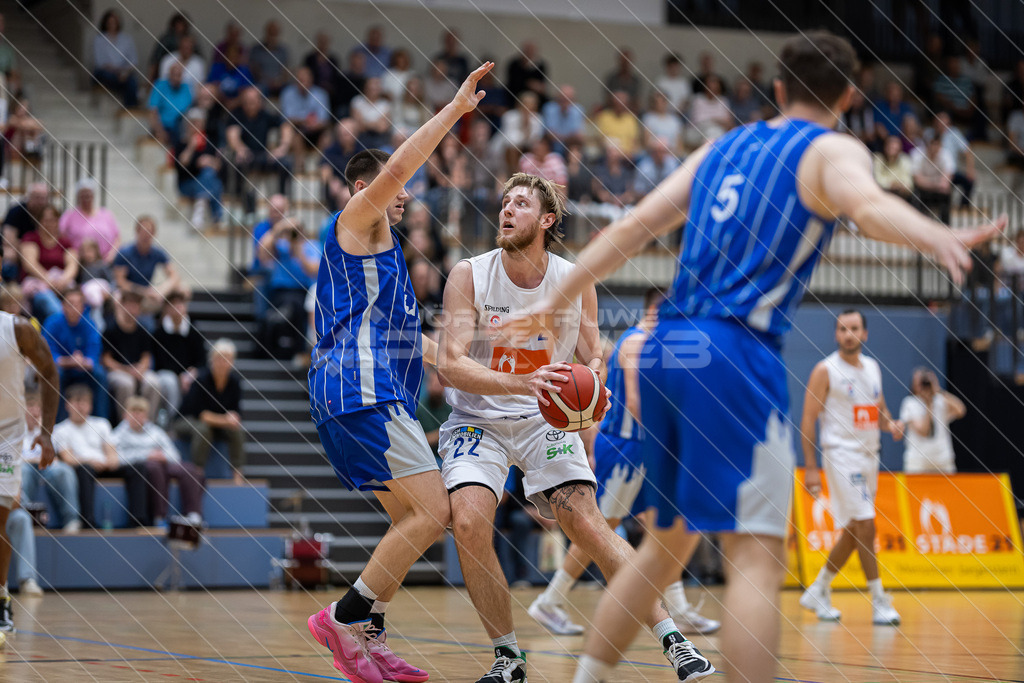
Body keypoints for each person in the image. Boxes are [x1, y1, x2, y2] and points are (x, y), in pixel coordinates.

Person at [498, 30, 1002, 683]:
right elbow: (869, 204)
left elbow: (630, 227)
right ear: (848, 96)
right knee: (758, 556)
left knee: (665, 546)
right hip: (733, 348)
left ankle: (587, 676)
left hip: (667, 346)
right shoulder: (830, 148)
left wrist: (553, 300)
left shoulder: (721, 147)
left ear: (783, 89)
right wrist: (938, 233)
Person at [437, 173, 712, 682]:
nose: (506, 210)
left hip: (545, 422)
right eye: (504, 202)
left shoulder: (574, 279)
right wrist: (524, 383)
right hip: (479, 419)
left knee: (588, 525)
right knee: (471, 522)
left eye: (520, 203)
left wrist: (596, 389)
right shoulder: (469, 275)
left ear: (545, 220)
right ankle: (508, 658)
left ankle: (674, 641)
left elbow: (594, 355)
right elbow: (448, 365)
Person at [305, 62, 493, 683]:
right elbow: (397, 171)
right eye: (395, 190)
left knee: (409, 519)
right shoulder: (357, 220)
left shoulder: (381, 271)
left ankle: (367, 636)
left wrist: (504, 380)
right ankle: (342, 617)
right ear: (363, 189)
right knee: (432, 513)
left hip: (355, 392)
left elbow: (421, 344)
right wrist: (457, 111)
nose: (406, 196)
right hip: (359, 390)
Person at [528, 287, 719, 637]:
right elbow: (634, 402)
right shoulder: (636, 343)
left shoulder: (658, 344)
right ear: (658, 309)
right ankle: (549, 601)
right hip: (625, 448)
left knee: (665, 523)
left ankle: (679, 608)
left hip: (643, 446)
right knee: (598, 532)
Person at [798, 310, 904, 626]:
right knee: (866, 523)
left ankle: (818, 589)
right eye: (842, 329)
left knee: (854, 530)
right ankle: (879, 600)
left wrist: (891, 425)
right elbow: (807, 418)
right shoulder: (825, 370)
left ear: (865, 334)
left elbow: (878, 411)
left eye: (854, 328)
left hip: (870, 455)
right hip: (841, 456)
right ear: (836, 335)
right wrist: (811, 467)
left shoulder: (872, 368)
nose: (848, 334)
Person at [0, 305, 59, 631]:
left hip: (5, 436)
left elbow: (49, 371)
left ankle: (1, 597)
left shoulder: (18, 329)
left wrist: (46, 433)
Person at [114, 396, 203, 527]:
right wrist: (147, 455)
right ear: (125, 414)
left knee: (189, 468)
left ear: (147, 415)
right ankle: (159, 516)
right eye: (134, 411)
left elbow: (175, 455)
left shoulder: (156, 432)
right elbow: (117, 459)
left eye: (141, 412)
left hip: (164, 464)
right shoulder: (118, 434)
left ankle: (193, 515)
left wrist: (163, 456)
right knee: (154, 467)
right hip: (143, 467)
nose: (137, 415)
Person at [174, 339, 244, 483]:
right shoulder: (202, 378)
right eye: (219, 358)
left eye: (227, 359)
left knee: (237, 430)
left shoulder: (235, 382)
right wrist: (226, 420)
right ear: (212, 360)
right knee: (203, 429)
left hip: (216, 423)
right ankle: (197, 472)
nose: (223, 363)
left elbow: (236, 412)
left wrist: (233, 418)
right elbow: (201, 415)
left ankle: (237, 473)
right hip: (186, 419)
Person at [52, 384, 120, 529]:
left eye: (85, 402)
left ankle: (141, 519)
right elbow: (68, 458)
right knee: (85, 469)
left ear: (90, 405)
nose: (80, 406)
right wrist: (90, 461)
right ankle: (88, 521)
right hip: (81, 467)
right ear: (67, 405)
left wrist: (110, 462)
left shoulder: (102, 424)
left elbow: (112, 453)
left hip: (105, 465)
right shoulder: (60, 429)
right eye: (76, 402)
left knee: (138, 468)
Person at [42, 287, 107, 420]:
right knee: (55, 374)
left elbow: (94, 353)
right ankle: (56, 422)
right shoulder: (52, 323)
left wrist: (84, 361)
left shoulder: (89, 323)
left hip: (83, 368)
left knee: (100, 375)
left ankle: (102, 421)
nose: (74, 307)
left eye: (78, 304)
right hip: (62, 368)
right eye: (70, 303)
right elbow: (47, 353)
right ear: (63, 305)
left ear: (83, 307)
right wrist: (68, 361)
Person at [20, 389, 80, 531]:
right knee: (22, 472)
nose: (34, 411)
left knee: (64, 471)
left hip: (47, 467)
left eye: (37, 407)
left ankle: (72, 521)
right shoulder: (14, 431)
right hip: (25, 467)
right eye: (30, 407)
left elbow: (56, 456)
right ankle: (25, 519)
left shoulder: (52, 430)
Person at [101, 290, 160, 419]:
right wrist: (126, 370)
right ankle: (126, 423)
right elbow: (106, 360)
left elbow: (146, 356)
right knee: (126, 384)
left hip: (138, 370)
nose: (132, 309)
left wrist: (140, 370)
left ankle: (148, 423)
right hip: (117, 371)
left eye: (136, 305)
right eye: (129, 305)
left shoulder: (142, 331)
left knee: (153, 383)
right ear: (121, 305)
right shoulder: (110, 330)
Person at [899, 368, 967, 474]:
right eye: (921, 380)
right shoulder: (909, 403)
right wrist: (928, 404)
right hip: (918, 462)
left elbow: (961, 410)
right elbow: (924, 431)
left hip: (942, 460)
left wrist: (938, 390)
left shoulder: (940, 400)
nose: (924, 383)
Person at [151, 291, 205, 422]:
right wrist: (180, 375)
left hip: (188, 374)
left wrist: (191, 373)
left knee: (198, 380)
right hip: (165, 374)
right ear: (166, 308)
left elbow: (201, 360)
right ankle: (174, 420)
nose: (177, 308)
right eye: (173, 304)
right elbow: (160, 362)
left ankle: (194, 419)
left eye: (180, 304)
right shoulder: (158, 333)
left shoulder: (194, 332)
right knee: (170, 382)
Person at [19, 205, 79, 322]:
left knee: (79, 300)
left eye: (53, 220)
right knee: (49, 302)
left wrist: (63, 280)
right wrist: (48, 280)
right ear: (39, 221)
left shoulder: (65, 242)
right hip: (38, 286)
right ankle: (61, 323)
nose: (49, 224)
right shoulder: (30, 238)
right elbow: (29, 264)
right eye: (46, 220)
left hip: (61, 284)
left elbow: (73, 264)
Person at [112, 216, 182, 311]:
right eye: (143, 231)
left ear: (154, 233)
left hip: (148, 293)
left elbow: (174, 276)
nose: (146, 235)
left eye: (149, 231)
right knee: (117, 298)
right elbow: (120, 282)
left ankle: (171, 323)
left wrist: (161, 290)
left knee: (183, 290)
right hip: (128, 292)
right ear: (137, 232)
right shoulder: (125, 253)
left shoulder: (158, 253)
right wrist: (143, 291)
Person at [91, 9, 138, 107]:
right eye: (110, 22)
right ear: (105, 23)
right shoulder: (99, 40)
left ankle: (130, 109)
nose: (112, 24)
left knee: (132, 81)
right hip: (105, 73)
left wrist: (125, 73)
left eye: (114, 22)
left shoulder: (127, 39)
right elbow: (100, 63)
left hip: (123, 73)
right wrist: (118, 72)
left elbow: (133, 61)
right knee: (107, 75)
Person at [147, 61, 192, 147]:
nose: (176, 78)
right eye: (174, 74)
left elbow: (188, 111)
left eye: (178, 75)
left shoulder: (186, 88)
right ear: (169, 74)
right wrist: (160, 131)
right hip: (161, 126)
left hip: (178, 127)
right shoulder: (160, 85)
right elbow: (153, 111)